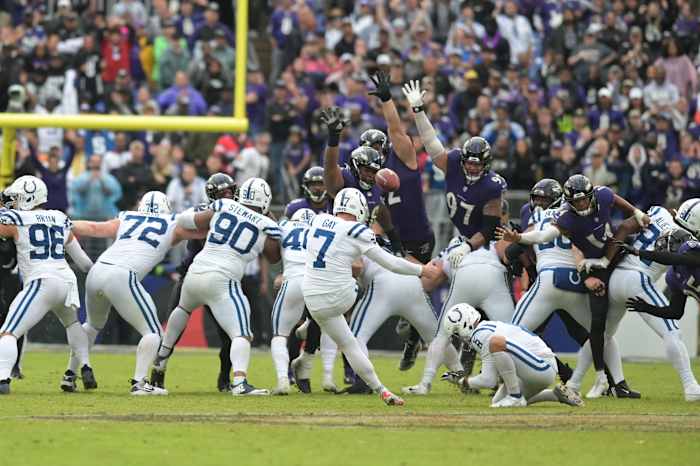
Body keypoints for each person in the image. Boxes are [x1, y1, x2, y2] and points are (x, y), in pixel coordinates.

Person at [497, 174, 650, 396]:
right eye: (537, 200)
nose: (539, 204)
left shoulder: (564, 217)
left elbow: (540, 241)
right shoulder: (566, 215)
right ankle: (615, 383)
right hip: (575, 279)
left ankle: (500, 378)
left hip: (552, 279)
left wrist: (518, 239)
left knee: (514, 333)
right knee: (600, 332)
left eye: (544, 200)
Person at [301, 187, 440, 406]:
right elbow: (390, 262)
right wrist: (422, 270)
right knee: (354, 286)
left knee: (349, 344)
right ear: (359, 209)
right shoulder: (357, 230)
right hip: (341, 297)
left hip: (311, 297)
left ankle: (382, 390)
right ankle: (312, 324)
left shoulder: (317, 220)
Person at [153, 178, 281, 396]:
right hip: (223, 280)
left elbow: (185, 220)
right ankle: (240, 383)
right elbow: (274, 256)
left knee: (182, 310)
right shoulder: (267, 224)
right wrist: (270, 218)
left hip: (195, 273)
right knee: (241, 334)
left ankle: (159, 363)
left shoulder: (224, 205)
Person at [67, 191, 203, 395]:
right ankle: (139, 383)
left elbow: (94, 228)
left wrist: (64, 222)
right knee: (154, 332)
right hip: (122, 275)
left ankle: (70, 374)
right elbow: (203, 232)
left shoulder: (126, 217)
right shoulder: (172, 222)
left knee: (92, 325)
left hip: (97, 271)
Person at [569, 209, 700, 402]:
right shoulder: (687, 239)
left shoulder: (659, 211)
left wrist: (608, 259)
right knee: (671, 333)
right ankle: (690, 386)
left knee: (603, 335)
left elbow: (625, 226)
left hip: (616, 276)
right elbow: (678, 260)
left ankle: (574, 383)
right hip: (638, 278)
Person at [366, 71, 436, 370]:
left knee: (415, 291)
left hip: (417, 238)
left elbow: (395, 128)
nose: (378, 154)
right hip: (388, 240)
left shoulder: (404, 159)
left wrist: (386, 99)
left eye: (380, 148)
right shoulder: (365, 178)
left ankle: (416, 334)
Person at [0, 176, 94, 395]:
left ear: (26, 197)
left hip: (41, 282)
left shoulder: (16, 218)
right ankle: (87, 367)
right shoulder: (59, 217)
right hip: (66, 282)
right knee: (72, 324)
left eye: (16, 197)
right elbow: (84, 262)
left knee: (8, 332)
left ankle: (2, 379)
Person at [151, 173, 238, 392]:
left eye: (230, 193)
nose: (227, 197)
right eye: (223, 194)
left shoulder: (240, 215)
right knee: (172, 331)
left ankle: (224, 377)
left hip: (219, 280)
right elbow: (184, 220)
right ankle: (157, 372)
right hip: (191, 276)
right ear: (212, 196)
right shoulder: (203, 212)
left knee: (229, 334)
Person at [441, 303, 582, 408]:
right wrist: (461, 381)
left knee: (496, 342)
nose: (459, 337)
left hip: (541, 367)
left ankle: (515, 396)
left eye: (456, 331)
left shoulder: (481, 334)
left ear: (464, 324)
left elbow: (488, 381)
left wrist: (463, 382)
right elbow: (488, 379)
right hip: (536, 369)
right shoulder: (485, 329)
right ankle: (555, 395)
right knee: (496, 402)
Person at [270, 208, 316, 395]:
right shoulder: (318, 230)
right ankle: (309, 323)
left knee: (279, 335)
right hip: (315, 282)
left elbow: (271, 240)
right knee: (333, 326)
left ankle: (283, 380)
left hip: (293, 280)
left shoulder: (284, 225)